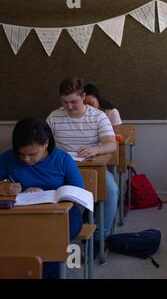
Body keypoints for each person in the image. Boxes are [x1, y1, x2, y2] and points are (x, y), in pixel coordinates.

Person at [0, 117, 83, 279]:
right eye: (21, 154)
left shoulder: (62, 159)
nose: (26, 159)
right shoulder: (7, 158)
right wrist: (4, 187)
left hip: (61, 213)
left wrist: (49, 194)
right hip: (20, 213)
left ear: (45, 143)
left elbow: (77, 191)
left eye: (32, 154)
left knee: (47, 241)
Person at [46, 76, 118, 254]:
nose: (69, 107)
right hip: (62, 170)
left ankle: (101, 237)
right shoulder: (54, 117)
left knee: (111, 189)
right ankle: (53, 237)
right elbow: (44, 146)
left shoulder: (98, 116)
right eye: (65, 102)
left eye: (74, 102)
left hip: (92, 167)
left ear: (83, 96)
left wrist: (95, 149)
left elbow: (112, 144)